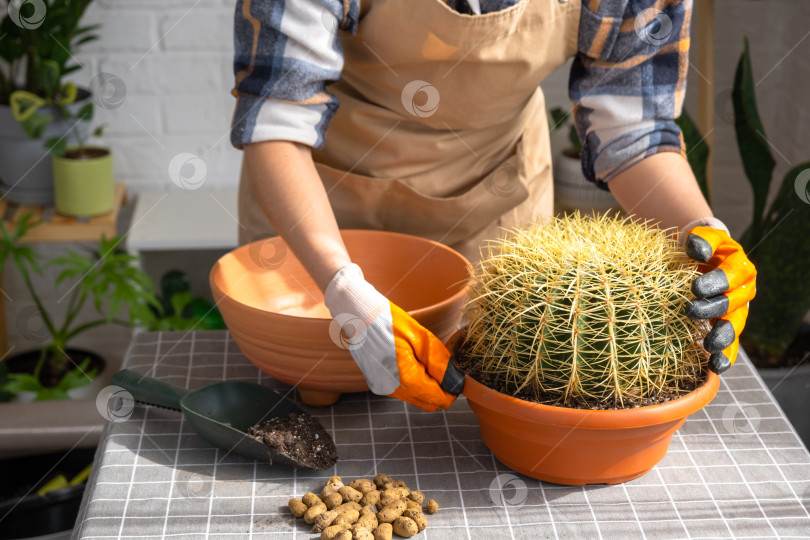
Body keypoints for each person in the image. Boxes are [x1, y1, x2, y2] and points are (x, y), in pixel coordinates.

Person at [229, 0, 756, 411]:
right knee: (314, 390)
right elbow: (279, 112)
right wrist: (340, 285)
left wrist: (702, 232)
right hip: (318, 201)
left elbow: (633, 125)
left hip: (493, 201)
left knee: (488, 373)